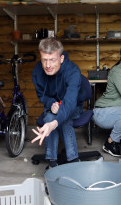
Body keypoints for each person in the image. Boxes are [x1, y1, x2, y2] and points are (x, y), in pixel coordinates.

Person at [31, 38, 86, 168]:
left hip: (73, 106)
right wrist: (51, 103)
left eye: (52, 60)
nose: (48, 65)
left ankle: (73, 161)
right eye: (44, 60)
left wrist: (53, 123)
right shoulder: (37, 72)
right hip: (52, 106)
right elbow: (41, 96)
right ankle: (52, 162)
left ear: (61, 58)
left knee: (62, 118)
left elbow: (70, 102)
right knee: (50, 116)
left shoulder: (73, 71)